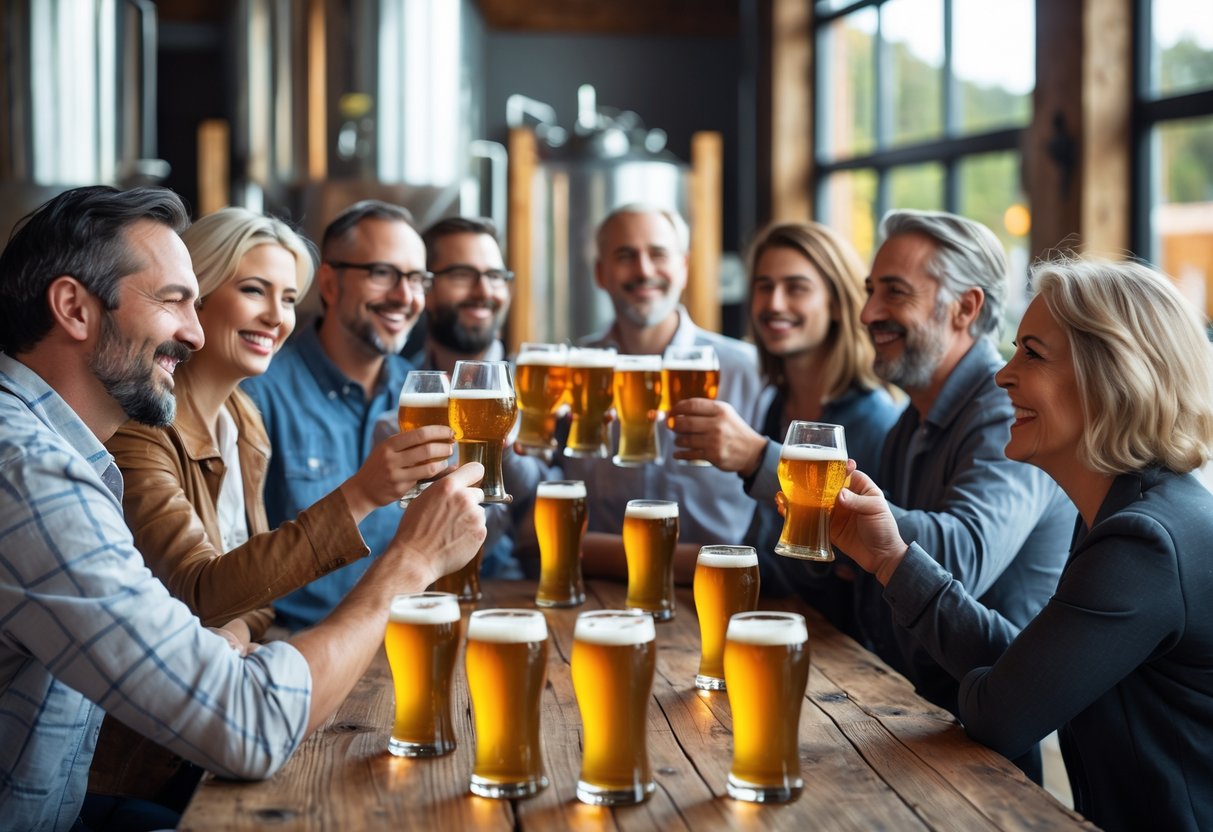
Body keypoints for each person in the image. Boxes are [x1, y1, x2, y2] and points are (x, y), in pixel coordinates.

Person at [0, 186, 485, 831]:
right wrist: (411, 559)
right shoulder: (33, 469)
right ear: (73, 308)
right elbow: (248, 718)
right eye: (176, 300)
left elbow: (250, 601)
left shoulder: (196, 429)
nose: (194, 331)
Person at [831, 258, 1213, 832]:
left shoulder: (1143, 542)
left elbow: (999, 715)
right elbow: (1021, 663)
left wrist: (897, 565)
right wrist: (891, 559)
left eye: (1031, 354)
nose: (1003, 376)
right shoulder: (1131, 510)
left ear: (1110, 377)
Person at [855, 210, 1074, 778]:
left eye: (894, 293)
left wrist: (803, 485)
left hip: (986, 757)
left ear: (966, 308)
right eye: (870, 291)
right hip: (912, 725)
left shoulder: (1010, 413)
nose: (868, 313)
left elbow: (960, 559)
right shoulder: (911, 419)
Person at [667, 221, 902, 630]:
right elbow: (772, 557)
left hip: (844, 651)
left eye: (796, 287)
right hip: (781, 624)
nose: (774, 303)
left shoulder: (873, 419)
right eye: (763, 285)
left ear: (835, 302)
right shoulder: (776, 402)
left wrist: (755, 458)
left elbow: (868, 578)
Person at [242, 200, 430, 629]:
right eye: (383, 274)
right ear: (329, 283)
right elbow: (235, 562)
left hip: (407, 637)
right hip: (296, 641)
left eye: (417, 278)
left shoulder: (424, 395)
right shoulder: (258, 394)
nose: (405, 296)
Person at [565, 204, 769, 583]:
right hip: (599, 601)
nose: (643, 270)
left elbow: (776, 523)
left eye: (658, 254)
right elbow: (539, 530)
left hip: (719, 600)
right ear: (600, 273)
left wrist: (590, 551)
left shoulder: (748, 370)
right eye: (625, 256)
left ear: (684, 266)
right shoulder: (575, 371)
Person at [374, 215, 526, 578]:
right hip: (416, 591)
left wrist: (507, 453)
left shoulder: (540, 386)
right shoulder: (394, 389)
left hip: (505, 586)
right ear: (425, 287)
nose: (484, 291)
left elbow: (551, 512)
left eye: (495, 276)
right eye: (462, 274)